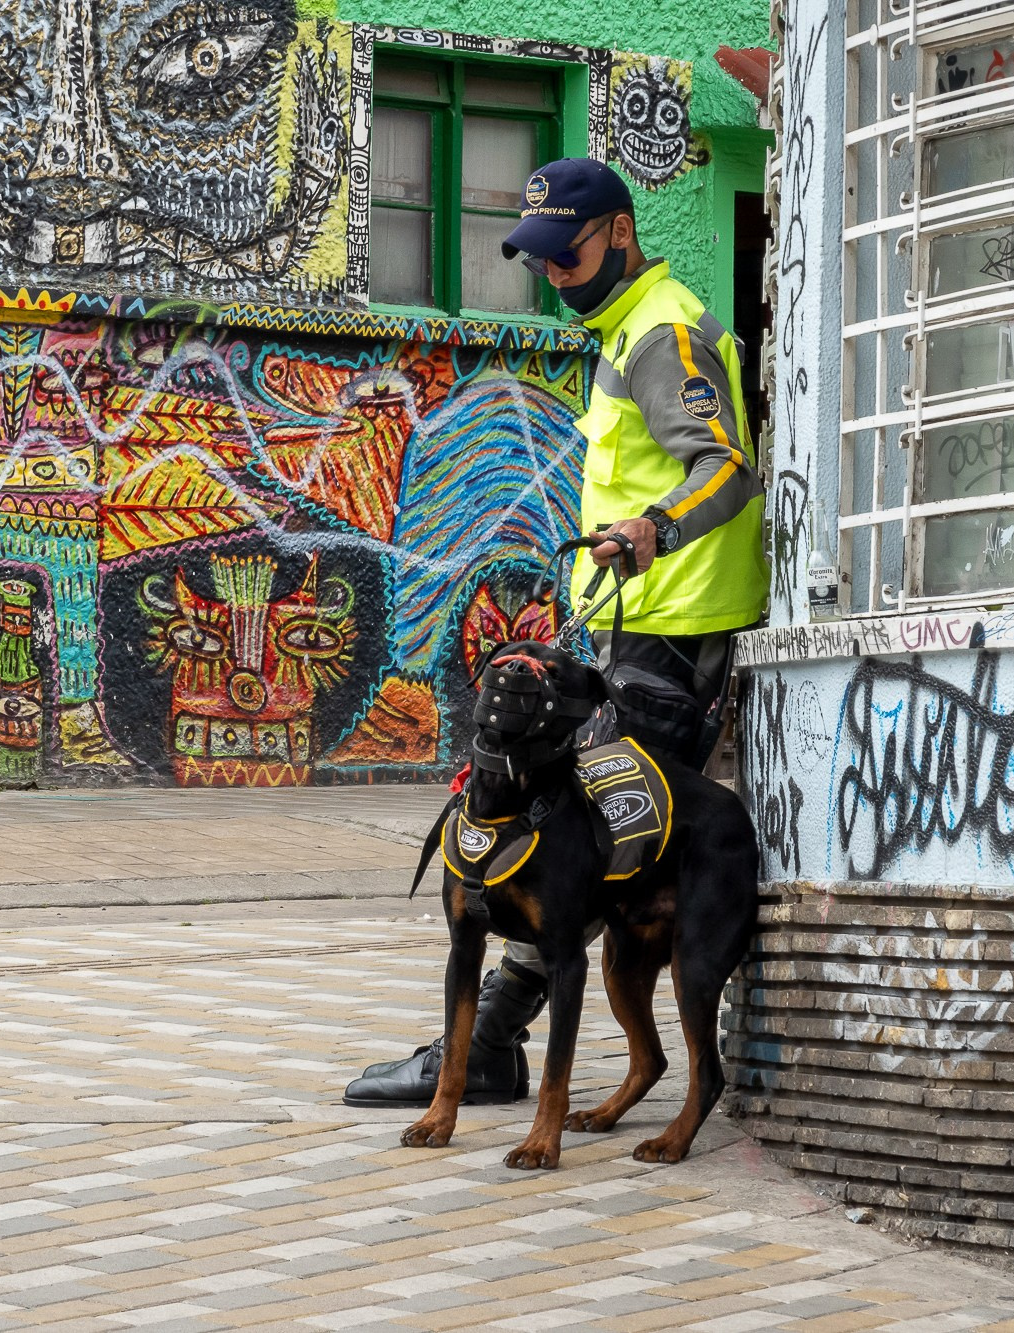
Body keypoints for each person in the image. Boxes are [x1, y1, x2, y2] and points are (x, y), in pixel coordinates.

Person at [344, 157, 768, 1108]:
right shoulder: (626, 327)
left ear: (620, 233)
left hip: (670, 637)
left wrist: (654, 527)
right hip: (635, 635)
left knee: (570, 841)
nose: (553, 275)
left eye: (565, 256)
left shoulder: (663, 333)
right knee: (560, 828)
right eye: (538, 261)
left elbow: (726, 465)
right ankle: (496, 1043)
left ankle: (493, 1043)